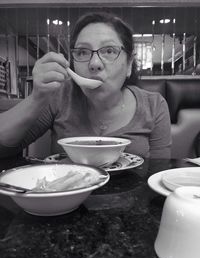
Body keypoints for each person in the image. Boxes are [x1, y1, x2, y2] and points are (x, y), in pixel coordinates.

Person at [0, 12, 171, 159]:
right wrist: (37, 98)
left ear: (128, 65)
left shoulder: (154, 105)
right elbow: (4, 150)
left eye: (109, 51)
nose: (94, 63)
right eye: (82, 52)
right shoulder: (59, 95)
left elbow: (157, 173)